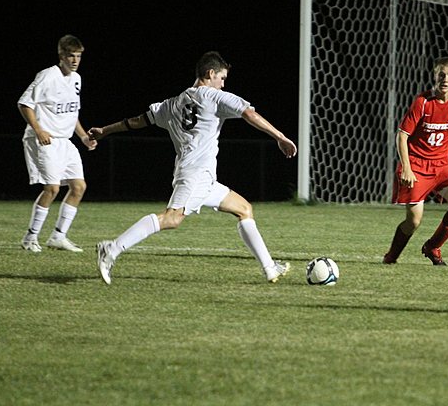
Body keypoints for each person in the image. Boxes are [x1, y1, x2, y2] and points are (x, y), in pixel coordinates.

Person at [88, 51, 297, 285]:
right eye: (222, 78)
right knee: (171, 219)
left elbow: (137, 121)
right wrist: (280, 137)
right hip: (194, 175)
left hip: (201, 177)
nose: (224, 84)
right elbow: (249, 113)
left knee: (244, 209)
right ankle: (112, 249)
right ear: (210, 74)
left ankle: (270, 268)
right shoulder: (214, 97)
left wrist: (105, 130)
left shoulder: (170, 104)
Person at [383, 57, 448, 266]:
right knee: (413, 221)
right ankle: (391, 257)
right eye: (441, 75)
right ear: (434, 76)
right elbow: (402, 136)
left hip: (442, 166)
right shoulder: (422, 102)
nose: (445, 79)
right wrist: (407, 169)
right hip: (417, 165)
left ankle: (433, 247)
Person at [18, 34, 98, 253]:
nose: (75, 60)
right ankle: (30, 237)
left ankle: (58, 237)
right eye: (70, 55)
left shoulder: (76, 79)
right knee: (52, 188)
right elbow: (25, 104)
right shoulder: (47, 76)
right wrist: (39, 129)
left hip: (65, 141)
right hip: (45, 139)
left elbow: (72, 113)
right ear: (61, 55)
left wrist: (82, 136)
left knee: (79, 186)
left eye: (78, 56)